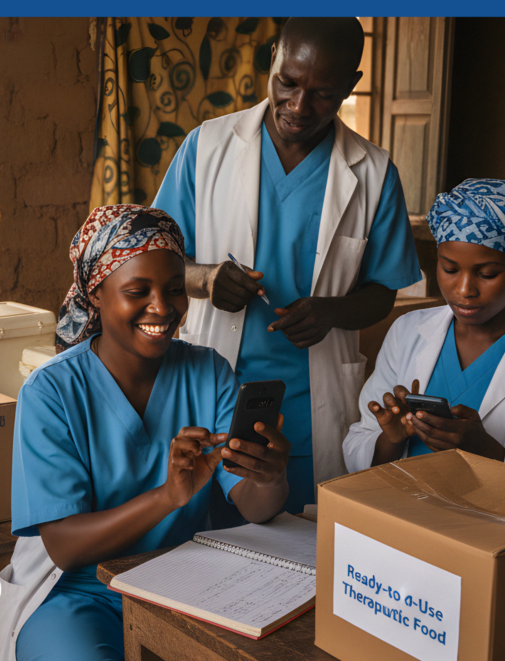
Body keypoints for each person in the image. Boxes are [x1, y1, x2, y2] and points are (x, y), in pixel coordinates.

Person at [0, 205, 291, 661]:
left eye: (174, 290)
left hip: (181, 584)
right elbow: (65, 547)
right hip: (75, 594)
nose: (163, 307)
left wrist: (268, 478)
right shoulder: (51, 391)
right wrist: (169, 496)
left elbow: (253, 505)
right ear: (96, 292)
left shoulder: (209, 373)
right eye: (137, 291)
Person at [152, 17, 421, 515]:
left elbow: (383, 290)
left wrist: (332, 312)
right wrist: (205, 279)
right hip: (212, 388)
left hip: (308, 408)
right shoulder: (207, 147)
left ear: (351, 87)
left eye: (322, 94)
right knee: (196, 535)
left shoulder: (374, 172)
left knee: (295, 555)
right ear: (273, 56)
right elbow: (158, 261)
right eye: (288, 83)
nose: (298, 107)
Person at [343, 179, 505, 472]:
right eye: (450, 269)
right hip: (399, 511)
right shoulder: (407, 331)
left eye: (488, 273)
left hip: (497, 518)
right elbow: (357, 447)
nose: (465, 289)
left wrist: (487, 450)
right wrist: (391, 439)